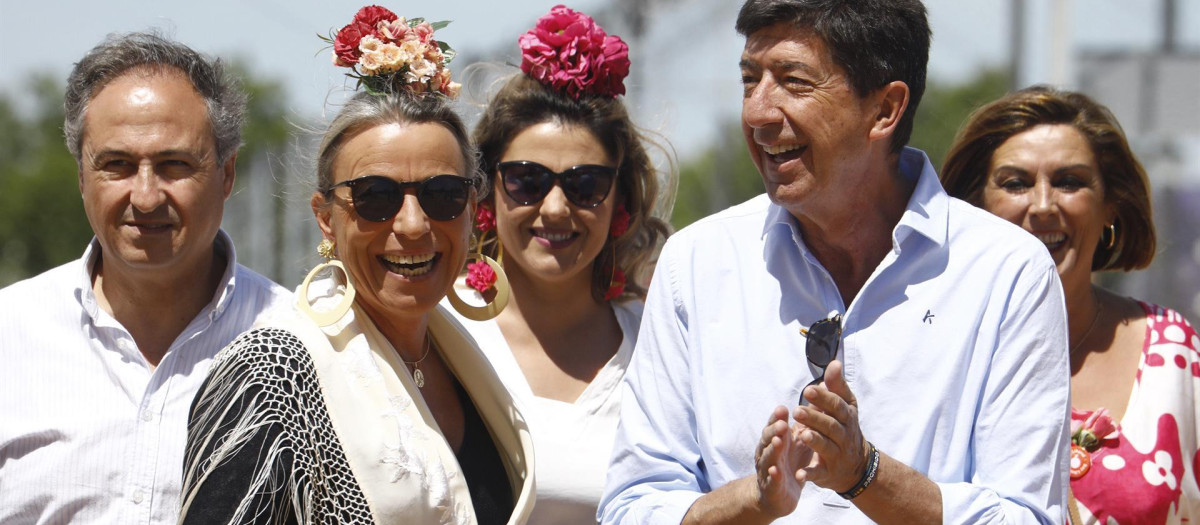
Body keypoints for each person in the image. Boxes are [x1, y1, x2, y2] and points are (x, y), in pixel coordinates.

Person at [598, 0, 1073, 523]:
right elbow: (631, 506)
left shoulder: (1006, 274)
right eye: (749, 80)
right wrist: (753, 501)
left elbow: (1028, 517)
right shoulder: (697, 264)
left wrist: (865, 474)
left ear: (885, 110)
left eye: (794, 81)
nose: (757, 112)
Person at [177, 7, 534, 524]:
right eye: (375, 197)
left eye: (442, 194)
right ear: (326, 218)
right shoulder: (271, 375)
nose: (412, 224)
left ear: (471, 212)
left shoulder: (467, 359)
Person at [0, 32, 290, 524]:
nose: (147, 195)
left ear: (226, 175)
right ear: (81, 177)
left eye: (174, 165)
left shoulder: (299, 343)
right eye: (117, 165)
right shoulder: (11, 334)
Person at [444, 5, 672, 524]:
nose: (554, 208)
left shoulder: (658, 346)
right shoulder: (435, 327)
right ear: (486, 190)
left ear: (621, 202)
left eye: (585, 185)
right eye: (526, 180)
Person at [940, 85, 1199, 525]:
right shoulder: (928, 349)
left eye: (1069, 182)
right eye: (1016, 183)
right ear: (973, 208)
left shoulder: (1175, 355)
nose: (1043, 205)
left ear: (1110, 208)